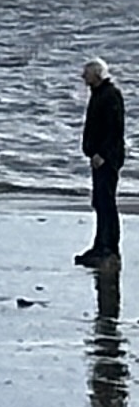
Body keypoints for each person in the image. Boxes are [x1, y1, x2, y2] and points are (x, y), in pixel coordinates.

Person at [85, 60, 125, 268]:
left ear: (97, 74)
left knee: (106, 202)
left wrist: (102, 154)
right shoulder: (98, 94)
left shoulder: (110, 95)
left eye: (87, 73)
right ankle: (99, 245)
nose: (83, 77)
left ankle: (109, 248)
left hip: (107, 158)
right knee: (99, 201)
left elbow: (114, 129)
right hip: (97, 157)